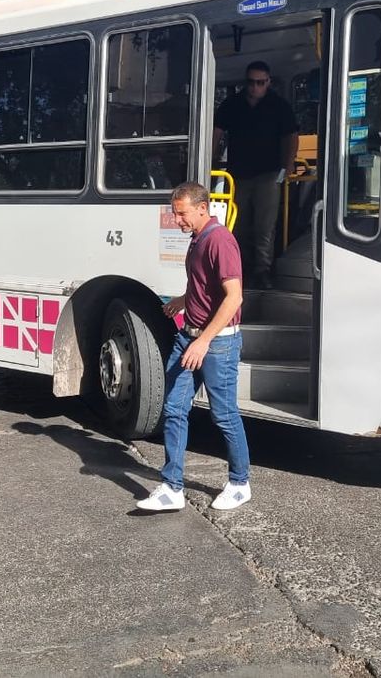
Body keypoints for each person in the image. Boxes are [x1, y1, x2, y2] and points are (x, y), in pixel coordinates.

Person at [139, 181, 251, 513]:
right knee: (174, 408)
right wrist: (183, 300)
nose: (177, 220)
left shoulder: (220, 241)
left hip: (217, 343)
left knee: (224, 415)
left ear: (203, 208)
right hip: (189, 336)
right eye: (175, 214)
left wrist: (203, 341)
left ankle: (240, 483)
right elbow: (205, 287)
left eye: (181, 214)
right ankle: (172, 488)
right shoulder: (198, 239)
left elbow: (234, 297)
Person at [213, 61, 299, 289]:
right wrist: (209, 160)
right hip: (237, 175)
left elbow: (291, 136)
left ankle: (262, 271)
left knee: (264, 227)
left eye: (260, 82)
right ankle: (238, 270)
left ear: (268, 82)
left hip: (268, 175)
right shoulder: (232, 104)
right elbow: (216, 133)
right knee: (236, 225)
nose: (255, 87)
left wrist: (288, 165)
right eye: (251, 82)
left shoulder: (279, 106)